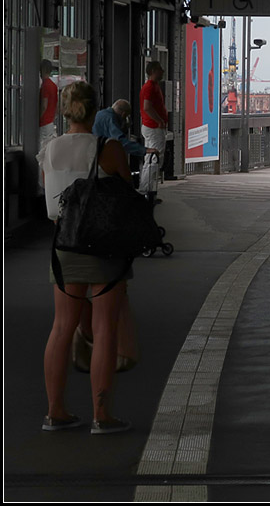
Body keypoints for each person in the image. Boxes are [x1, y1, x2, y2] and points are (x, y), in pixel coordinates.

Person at [38, 80, 135, 435]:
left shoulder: (50, 149)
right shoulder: (106, 147)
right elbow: (127, 191)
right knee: (103, 328)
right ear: (96, 110)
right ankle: (101, 415)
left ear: (65, 110)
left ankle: (55, 412)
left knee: (61, 328)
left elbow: (49, 196)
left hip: (63, 245)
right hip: (104, 247)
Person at [140, 60, 168, 165]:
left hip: (150, 126)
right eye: (159, 69)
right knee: (156, 157)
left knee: (150, 157)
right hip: (154, 127)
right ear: (153, 71)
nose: (162, 71)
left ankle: (147, 180)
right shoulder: (150, 87)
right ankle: (150, 180)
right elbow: (147, 107)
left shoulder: (152, 86)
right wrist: (159, 120)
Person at [38, 59, 59, 155]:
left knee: (42, 150)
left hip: (43, 122)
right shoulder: (53, 85)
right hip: (50, 121)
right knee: (47, 150)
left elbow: (44, 105)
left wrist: (38, 118)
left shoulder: (45, 85)